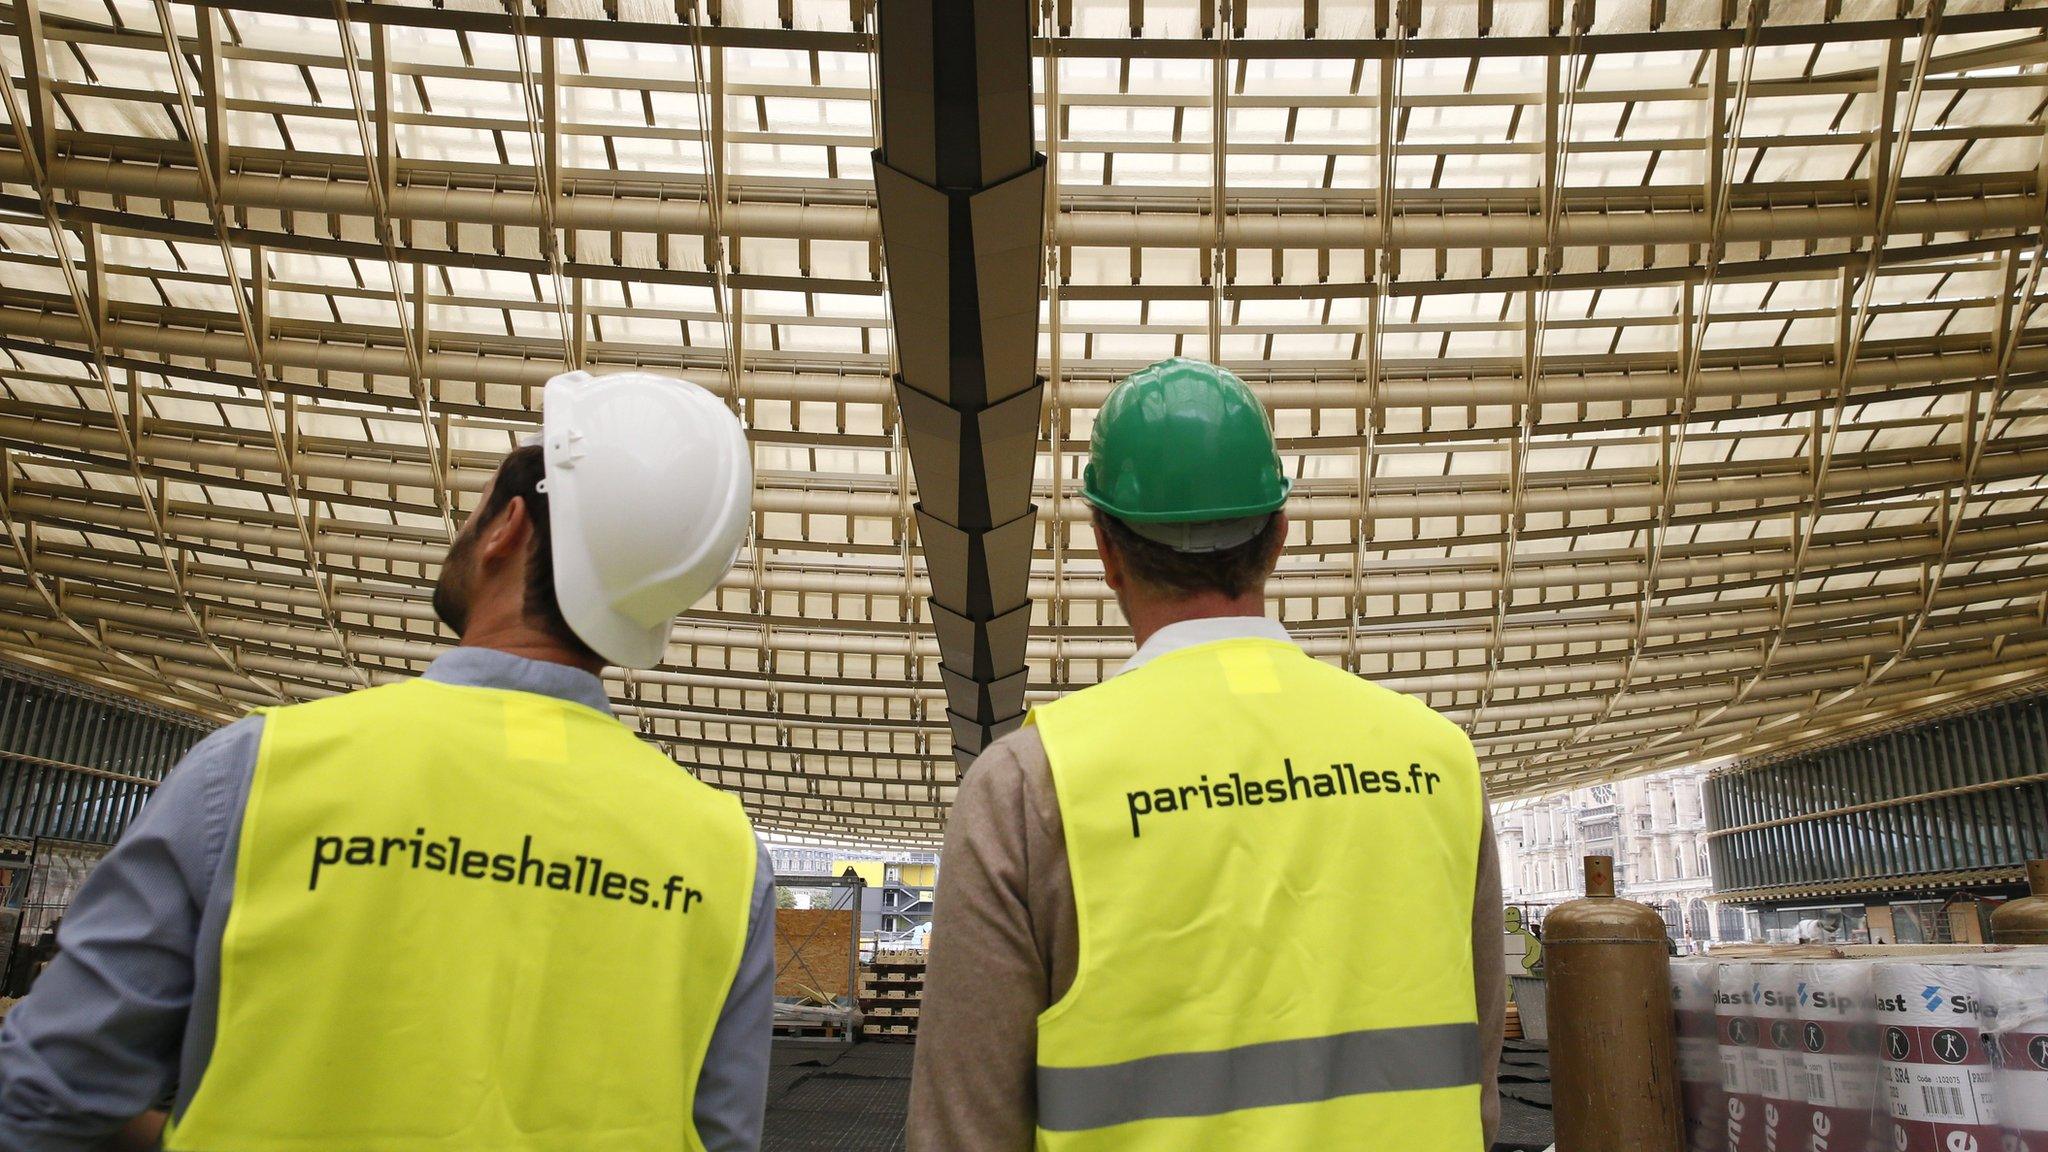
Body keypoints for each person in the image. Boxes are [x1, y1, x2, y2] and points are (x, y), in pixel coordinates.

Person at [0, 370, 774, 1152]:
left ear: (508, 527)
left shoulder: (262, 772)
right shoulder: (723, 855)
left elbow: (48, 1096)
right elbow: (721, 1137)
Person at [909, 358, 1505, 1150]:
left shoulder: (1032, 787)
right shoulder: (1437, 766)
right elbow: (1478, 1091)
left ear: (1106, 551)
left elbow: (963, 1132)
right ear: (1279, 537)